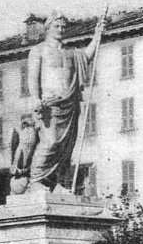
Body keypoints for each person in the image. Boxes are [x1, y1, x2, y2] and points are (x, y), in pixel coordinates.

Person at [11, 11, 107, 193]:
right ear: (48, 28)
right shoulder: (38, 50)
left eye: (63, 26)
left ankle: (55, 182)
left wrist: (97, 34)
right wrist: (36, 99)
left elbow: (87, 55)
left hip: (70, 104)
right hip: (49, 105)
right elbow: (32, 77)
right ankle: (36, 179)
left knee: (65, 147)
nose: (61, 29)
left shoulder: (71, 53)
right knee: (51, 142)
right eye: (57, 26)